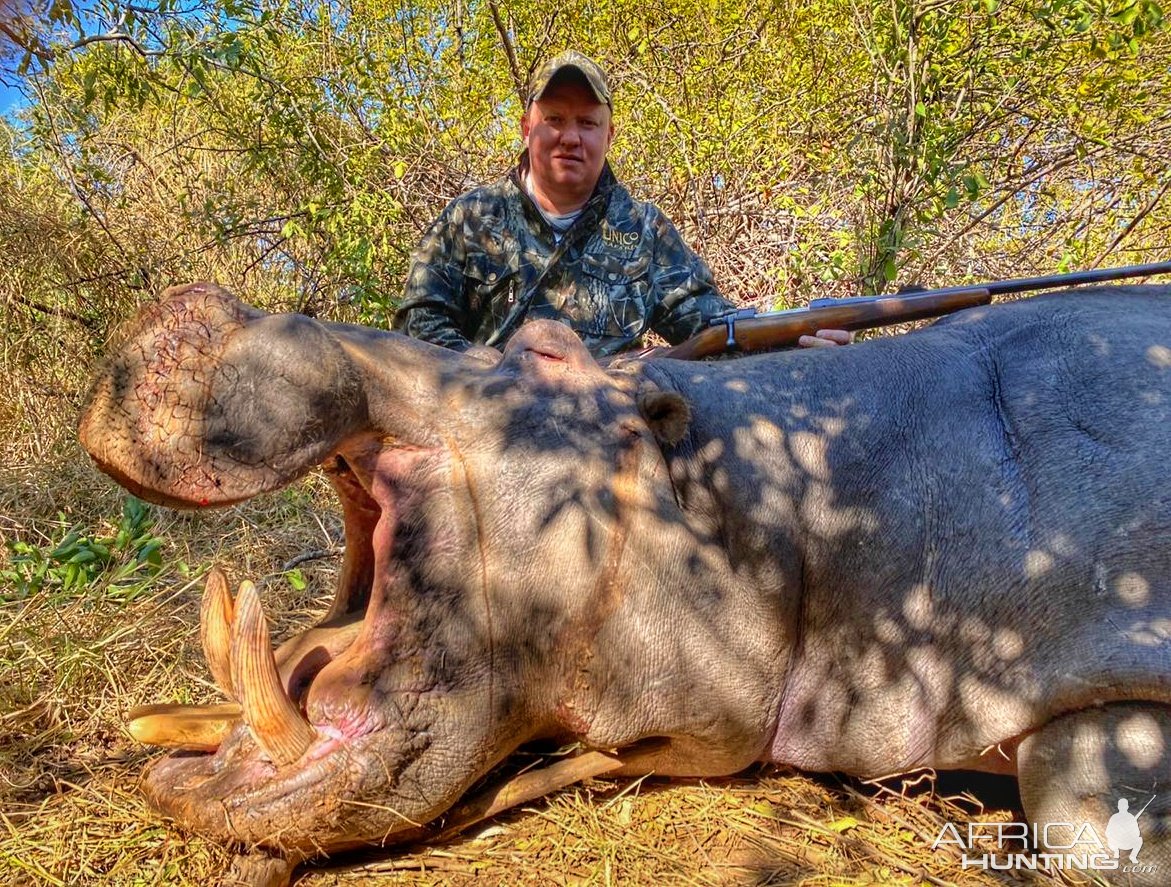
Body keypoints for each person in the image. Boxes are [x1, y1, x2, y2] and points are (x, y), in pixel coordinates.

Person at [394, 51, 849, 358]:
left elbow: (712, 327)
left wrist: (792, 340)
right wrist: (496, 375)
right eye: (555, 119)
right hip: (489, 434)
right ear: (526, 127)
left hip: (608, 441)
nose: (570, 137)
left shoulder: (644, 230)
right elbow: (417, 325)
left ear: (608, 136)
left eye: (587, 123)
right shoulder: (469, 219)